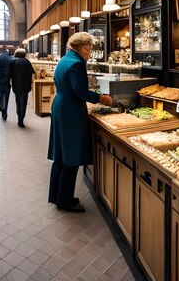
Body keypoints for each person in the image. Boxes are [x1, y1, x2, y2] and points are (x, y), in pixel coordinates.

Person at [48, 32, 113, 212]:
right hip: (70, 110)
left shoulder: (65, 59)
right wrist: (102, 98)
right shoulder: (77, 63)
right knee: (71, 154)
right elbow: (80, 91)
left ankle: (57, 196)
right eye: (89, 47)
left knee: (61, 154)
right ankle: (65, 201)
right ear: (82, 47)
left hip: (61, 105)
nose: (91, 50)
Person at [10, 48, 35, 128]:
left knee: (18, 101)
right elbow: (32, 72)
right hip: (25, 86)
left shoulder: (13, 62)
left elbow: (10, 74)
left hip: (16, 85)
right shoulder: (27, 62)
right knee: (23, 103)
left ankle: (19, 117)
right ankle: (21, 118)